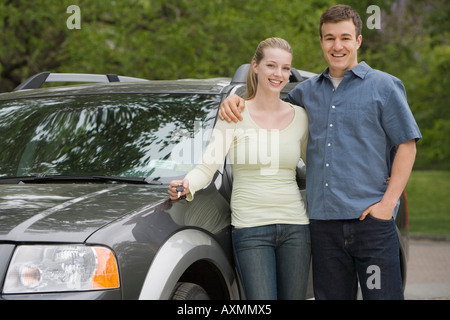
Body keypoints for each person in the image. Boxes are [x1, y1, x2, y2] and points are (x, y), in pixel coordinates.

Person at [218, 5, 421, 300]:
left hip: (372, 226)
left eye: (345, 38)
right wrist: (235, 101)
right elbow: (266, 104)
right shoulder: (305, 93)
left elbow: (407, 144)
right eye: (329, 38)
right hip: (324, 230)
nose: (337, 46)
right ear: (321, 42)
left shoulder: (384, 87)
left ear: (359, 41)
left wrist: (387, 205)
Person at [168, 37, 310, 300]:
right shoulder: (234, 114)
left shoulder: (300, 117)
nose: (278, 74)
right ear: (255, 67)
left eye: (285, 68)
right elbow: (208, 164)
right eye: (271, 65)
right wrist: (186, 185)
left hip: (296, 228)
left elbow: (316, 168)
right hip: (251, 230)